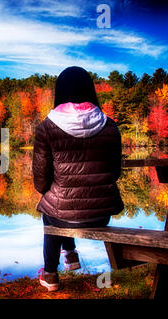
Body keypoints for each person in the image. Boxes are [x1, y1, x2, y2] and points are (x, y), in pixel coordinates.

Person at [32, 66, 124, 291]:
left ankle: (51, 275)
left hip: (61, 216)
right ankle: (71, 255)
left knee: (51, 211)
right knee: (59, 207)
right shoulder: (110, 125)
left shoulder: (47, 127)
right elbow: (115, 172)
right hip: (101, 215)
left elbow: (41, 182)